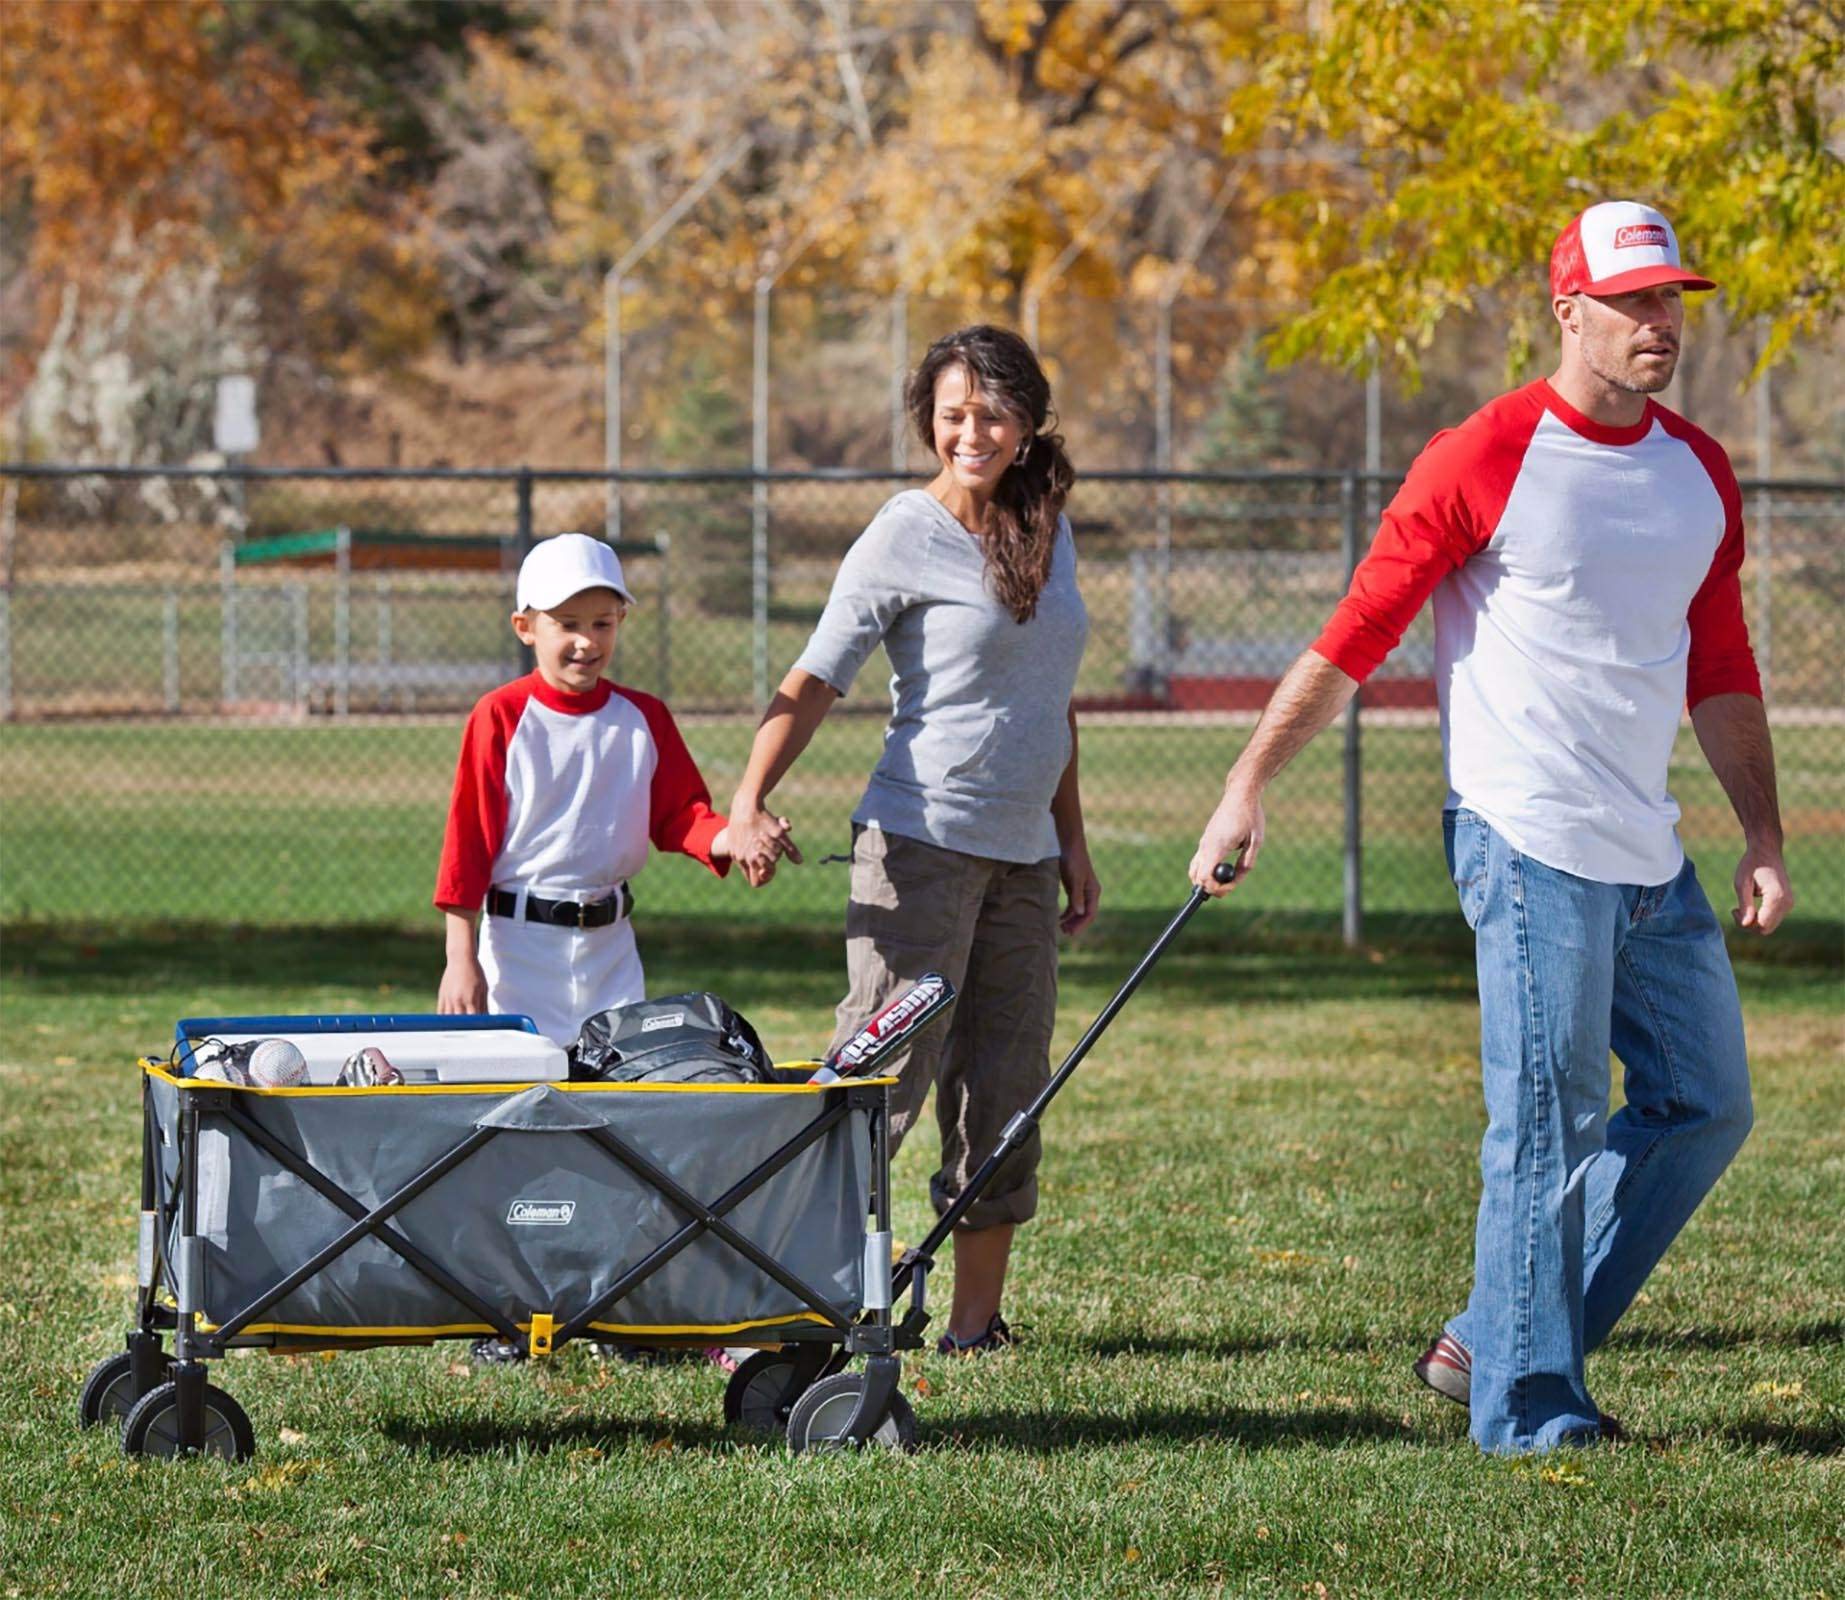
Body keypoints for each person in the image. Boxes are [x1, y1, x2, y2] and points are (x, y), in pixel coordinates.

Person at [1188, 201, 1793, 1454]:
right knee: (1551, 1124)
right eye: (1632, 301)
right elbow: (1357, 633)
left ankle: (1493, 1335)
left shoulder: (1699, 471)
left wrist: (1764, 832)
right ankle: (1529, 1405)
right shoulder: (1485, 452)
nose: (1659, 322)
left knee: (1708, 1101)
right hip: (1524, 838)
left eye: (1671, 299)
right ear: (1567, 308)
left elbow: (1721, 663)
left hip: (1650, 849)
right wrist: (1247, 782)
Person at [726, 325, 1099, 1355]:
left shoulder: (1050, 527)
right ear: (929, 423)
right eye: (953, 413)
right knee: (879, 1089)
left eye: (992, 412)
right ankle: (789, 1308)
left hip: (1024, 859)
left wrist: (1071, 842)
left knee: (1005, 1096)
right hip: (920, 847)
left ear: (1027, 420)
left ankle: (974, 1329)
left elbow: (1051, 704)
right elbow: (815, 678)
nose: (971, 431)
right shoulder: (903, 531)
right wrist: (748, 797)